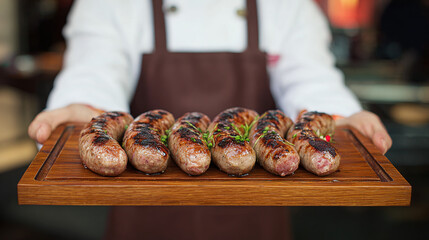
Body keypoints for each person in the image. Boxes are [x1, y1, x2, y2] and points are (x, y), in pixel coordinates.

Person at [28, 0, 392, 239]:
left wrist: (337, 116)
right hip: (145, 215)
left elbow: (312, 79)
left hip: (257, 217)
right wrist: (84, 108)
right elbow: (94, 71)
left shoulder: (287, 5)